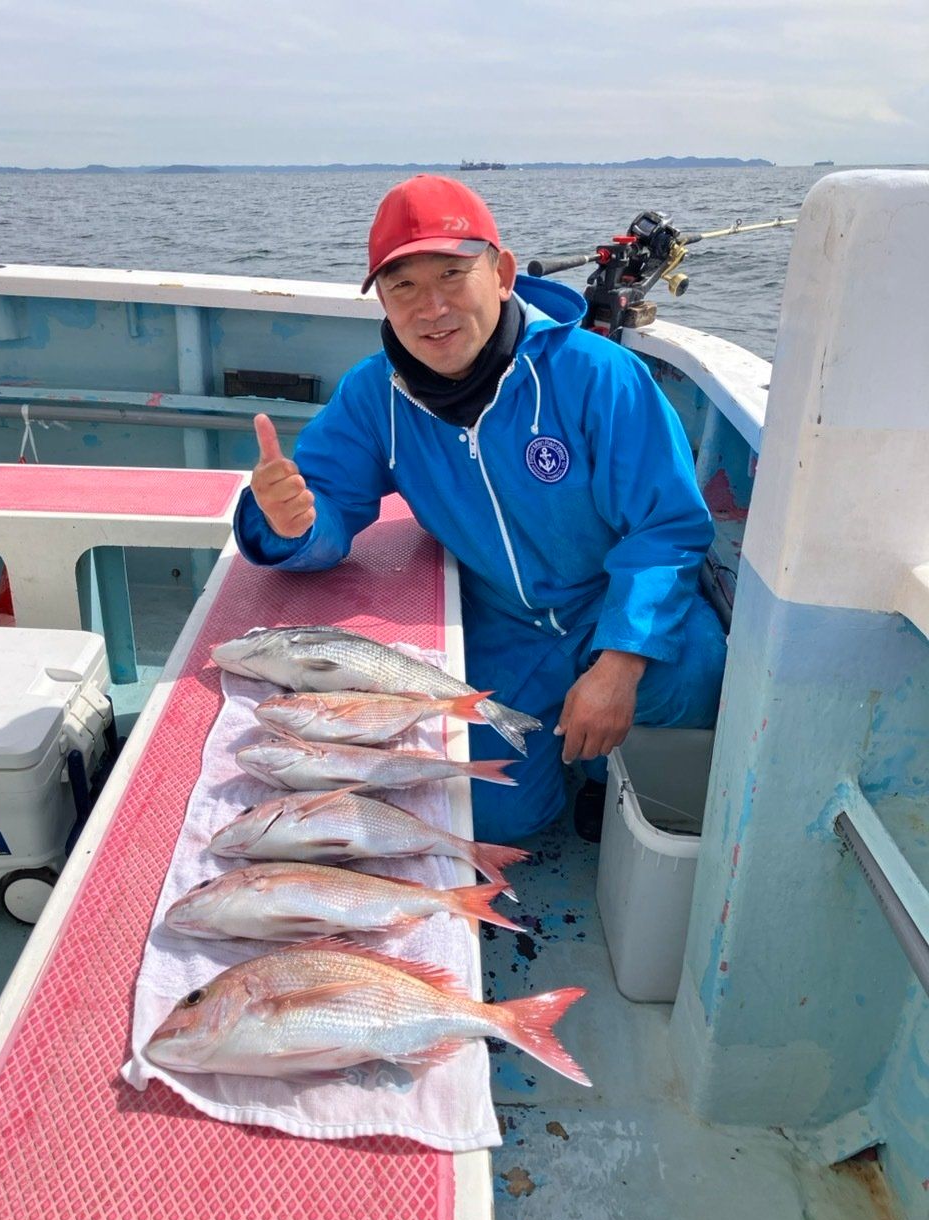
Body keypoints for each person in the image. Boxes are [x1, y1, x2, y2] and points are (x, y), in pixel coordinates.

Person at [234, 174, 726, 845]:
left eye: (452, 274)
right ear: (381, 298)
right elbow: (322, 511)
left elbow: (666, 528)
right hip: (501, 625)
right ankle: (559, 761)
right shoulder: (373, 395)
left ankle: (616, 774)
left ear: (502, 274)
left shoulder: (597, 375)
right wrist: (290, 526)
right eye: (403, 285)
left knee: (699, 674)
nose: (430, 307)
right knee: (490, 813)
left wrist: (619, 662)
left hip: (612, 599)